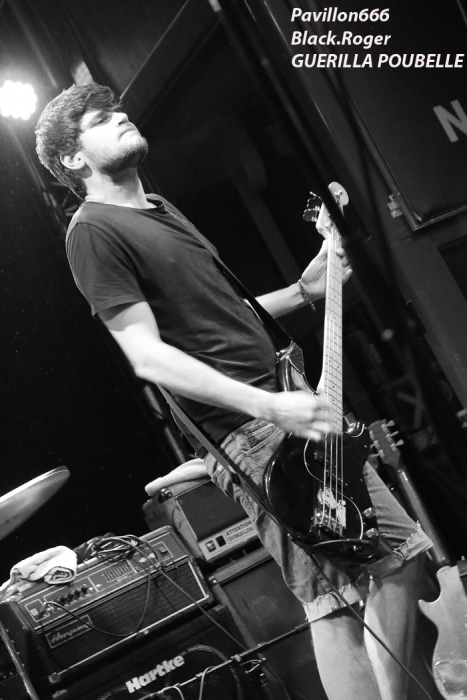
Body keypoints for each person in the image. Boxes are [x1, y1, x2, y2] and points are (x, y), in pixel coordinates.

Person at [35, 83, 431, 700]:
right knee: (358, 581)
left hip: (282, 403)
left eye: (119, 110)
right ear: (71, 159)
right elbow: (148, 356)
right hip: (250, 429)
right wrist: (266, 405)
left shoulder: (159, 208)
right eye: (101, 120)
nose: (122, 117)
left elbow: (223, 312)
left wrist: (302, 292)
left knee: (371, 573)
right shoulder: (92, 232)